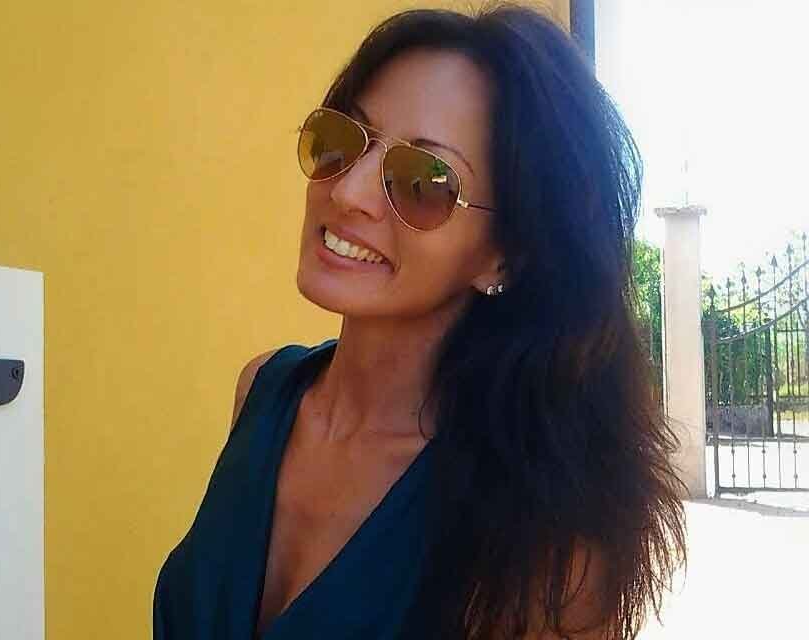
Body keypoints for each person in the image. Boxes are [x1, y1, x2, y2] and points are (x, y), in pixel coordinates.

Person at [153, 4, 686, 639]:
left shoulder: (544, 528)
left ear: (504, 255)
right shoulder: (263, 393)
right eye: (343, 139)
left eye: (424, 181)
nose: (347, 191)